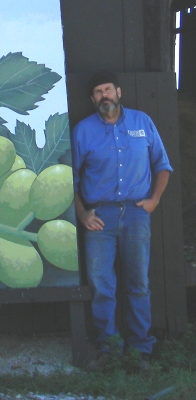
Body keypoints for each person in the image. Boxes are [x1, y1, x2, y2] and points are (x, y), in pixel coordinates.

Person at [71, 70, 172, 372]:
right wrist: (82, 214)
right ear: (92, 100)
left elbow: (162, 165)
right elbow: (70, 180)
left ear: (118, 92)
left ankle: (141, 349)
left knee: (138, 283)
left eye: (108, 90)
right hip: (100, 217)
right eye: (98, 92)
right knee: (102, 284)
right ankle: (109, 348)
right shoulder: (83, 131)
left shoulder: (143, 123)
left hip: (137, 215)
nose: (104, 96)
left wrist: (154, 200)